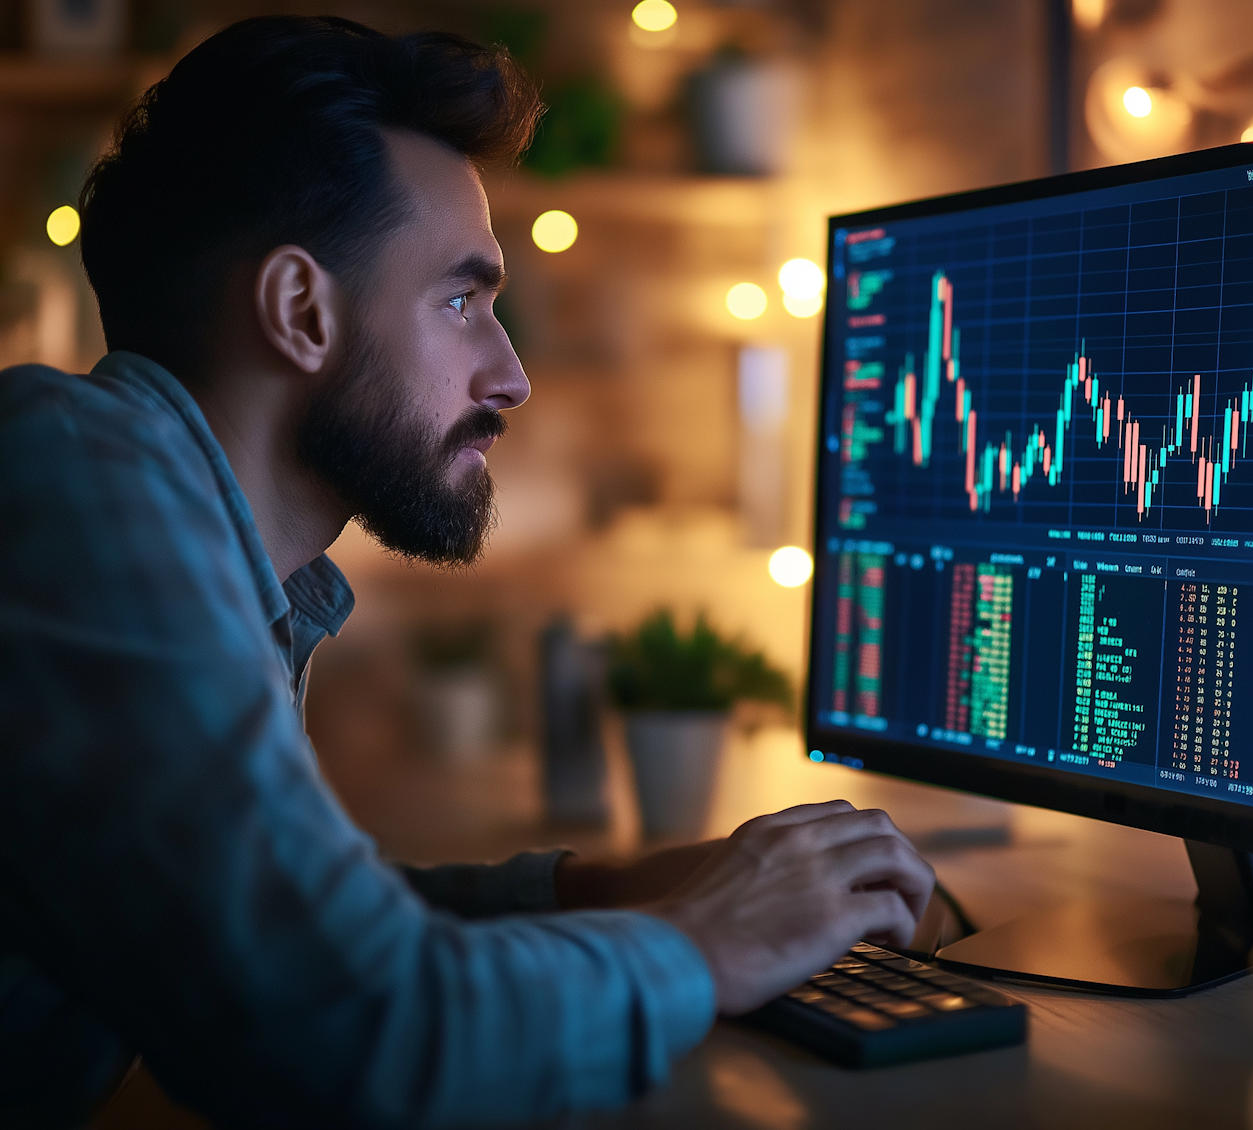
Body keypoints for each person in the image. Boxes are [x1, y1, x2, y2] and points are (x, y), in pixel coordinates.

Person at [0, 15, 935, 1128]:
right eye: (461, 298)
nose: (512, 374)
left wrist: (605, 888)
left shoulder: (198, 542)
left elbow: (301, 933)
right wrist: (708, 941)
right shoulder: (76, 474)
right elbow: (352, 1026)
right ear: (301, 310)